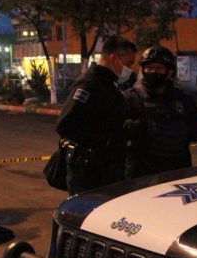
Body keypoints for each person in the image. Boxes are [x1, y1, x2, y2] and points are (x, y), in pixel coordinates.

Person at [56, 35, 137, 195]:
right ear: (113, 58)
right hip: (89, 172)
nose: (130, 69)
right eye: (128, 64)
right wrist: (102, 141)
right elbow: (65, 125)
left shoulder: (108, 83)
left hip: (104, 169)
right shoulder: (90, 84)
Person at [123, 46, 197, 178]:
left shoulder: (183, 99)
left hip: (177, 172)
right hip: (142, 175)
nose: (153, 71)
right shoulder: (130, 98)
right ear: (143, 70)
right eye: (149, 67)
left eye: (159, 67)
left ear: (169, 72)